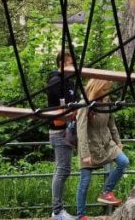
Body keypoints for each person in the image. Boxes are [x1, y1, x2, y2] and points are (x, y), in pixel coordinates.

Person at [75, 78, 129, 217]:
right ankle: (81, 215)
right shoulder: (84, 105)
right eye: (104, 90)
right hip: (89, 147)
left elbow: (112, 124)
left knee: (124, 162)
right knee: (85, 183)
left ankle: (107, 192)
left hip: (107, 144)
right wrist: (85, 154)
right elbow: (81, 131)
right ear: (97, 89)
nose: (107, 92)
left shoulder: (107, 102)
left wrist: (118, 142)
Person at [46, 51, 80, 220]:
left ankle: (58, 210)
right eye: (69, 64)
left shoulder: (71, 82)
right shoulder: (56, 81)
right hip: (60, 130)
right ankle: (57, 211)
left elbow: (77, 104)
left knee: (64, 169)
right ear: (60, 63)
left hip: (69, 129)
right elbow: (56, 110)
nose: (72, 67)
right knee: (62, 170)